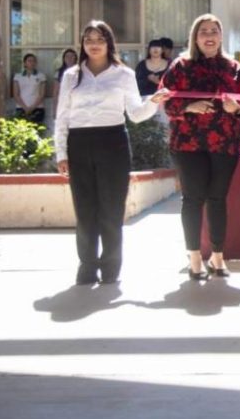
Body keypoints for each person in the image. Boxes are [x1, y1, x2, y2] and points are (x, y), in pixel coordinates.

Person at [55, 21, 169, 285]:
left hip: (113, 142)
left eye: (100, 39)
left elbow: (136, 114)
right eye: (89, 40)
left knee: (112, 209)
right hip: (79, 143)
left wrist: (153, 102)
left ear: (109, 43)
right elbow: (62, 116)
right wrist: (61, 153)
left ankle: (110, 267)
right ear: (82, 44)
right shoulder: (71, 75)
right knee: (85, 210)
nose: (94, 45)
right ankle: (87, 266)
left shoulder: (124, 74)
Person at [162, 14, 240, 281]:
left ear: (221, 36)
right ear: (195, 37)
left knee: (217, 199)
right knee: (192, 199)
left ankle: (217, 256)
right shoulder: (180, 66)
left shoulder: (234, 68)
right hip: (187, 144)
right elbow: (165, 101)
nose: (209, 36)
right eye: (203, 31)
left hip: (224, 143)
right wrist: (189, 106)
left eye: (214, 31)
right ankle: (194, 258)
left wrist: (236, 108)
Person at [13, 53, 47, 125]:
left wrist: (32, 108)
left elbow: (41, 94)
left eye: (34, 61)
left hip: (37, 108)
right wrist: (25, 107)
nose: (32, 63)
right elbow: (16, 94)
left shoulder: (41, 76)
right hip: (21, 108)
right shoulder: (18, 76)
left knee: (37, 129)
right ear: (24, 63)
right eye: (29, 61)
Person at [52, 49, 79, 116]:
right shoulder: (59, 73)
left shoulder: (80, 72)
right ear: (64, 59)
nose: (69, 58)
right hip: (63, 103)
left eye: (72, 56)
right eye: (67, 56)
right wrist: (55, 110)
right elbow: (55, 92)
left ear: (75, 58)